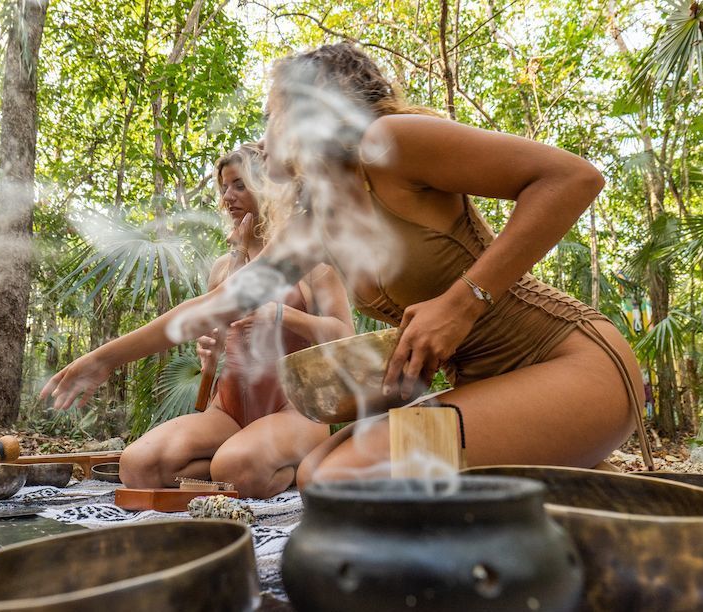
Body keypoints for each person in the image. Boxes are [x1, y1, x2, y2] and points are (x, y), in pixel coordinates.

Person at [246, 42, 653, 481]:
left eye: (272, 115)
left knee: (342, 479)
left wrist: (462, 304)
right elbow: (228, 298)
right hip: (489, 391)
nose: (262, 136)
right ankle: (583, 495)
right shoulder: (328, 213)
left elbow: (575, 178)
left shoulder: (389, 141)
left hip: (572, 366)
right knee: (314, 473)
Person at [40, 144, 354, 498]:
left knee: (236, 468)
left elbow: (344, 333)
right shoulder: (223, 267)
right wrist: (211, 355)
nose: (227, 198)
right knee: (138, 465)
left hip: (293, 409)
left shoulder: (312, 260)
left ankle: (269, 463)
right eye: (223, 188)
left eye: (239, 186)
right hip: (229, 412)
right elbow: (210, 340)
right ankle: (240, 464)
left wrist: (282, 313)